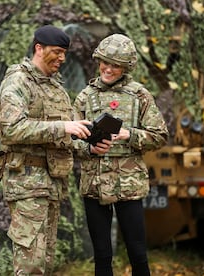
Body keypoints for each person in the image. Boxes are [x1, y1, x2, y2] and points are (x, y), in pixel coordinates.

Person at [0, 25, 91, 275]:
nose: (62, 58)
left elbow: (64, 136)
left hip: (51, 184)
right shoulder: (18, 81)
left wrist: (89, 143)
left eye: (64, 53)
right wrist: (63, 126)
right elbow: (11, 129)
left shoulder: (55, 87)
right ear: (39, 48)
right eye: (56, 52)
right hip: (26, 182)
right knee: (30, 263)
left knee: (44, 260)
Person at [72, 34, 169, 275]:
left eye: (115, 65)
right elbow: (69, 140)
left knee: (137, 253)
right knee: (102, 256)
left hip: (129, 185)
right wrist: (89, 148)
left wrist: (129, 134)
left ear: (125, 67)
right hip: (94, 184)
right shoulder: (85, 96)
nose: (108, 68)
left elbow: (160, 135)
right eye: (105, 62)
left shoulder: (139, 95)